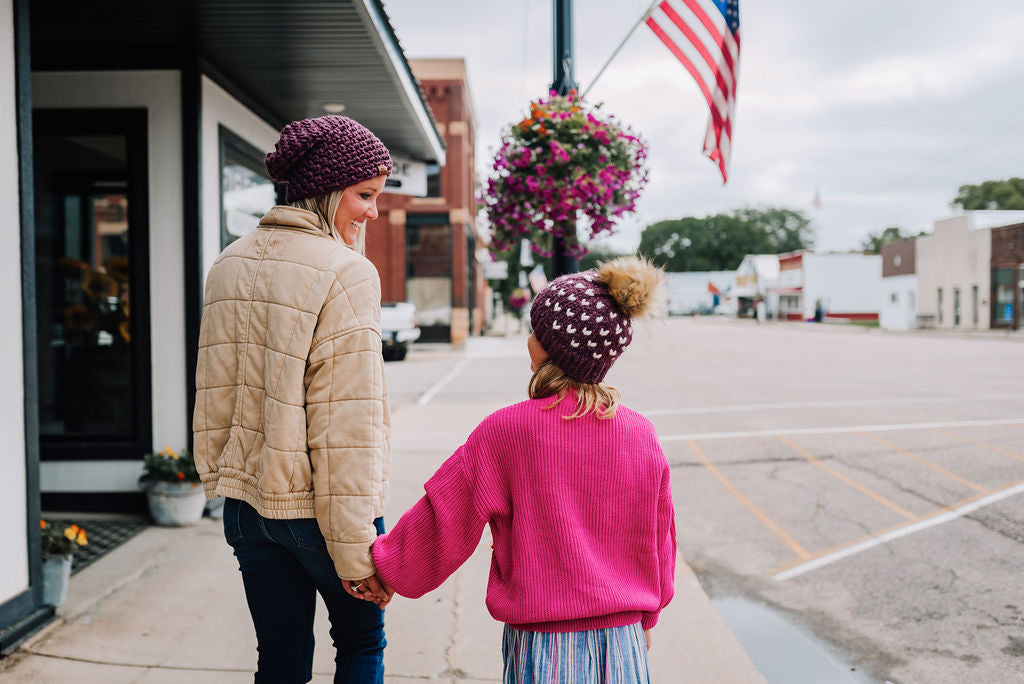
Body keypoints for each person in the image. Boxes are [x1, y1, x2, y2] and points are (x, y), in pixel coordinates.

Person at [365, 256, 677, 683]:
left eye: (535, 331)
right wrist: (649, 616)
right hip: (623, 639)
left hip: (544, 647)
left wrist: (387, 570)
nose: (528, 338)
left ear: (552, 348)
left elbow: (446, 514)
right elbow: (659, 539)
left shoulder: (508, 430)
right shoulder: (641, 434)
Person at [193, 115, 394, 683]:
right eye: (365, 195)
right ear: (327, 188)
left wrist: (222, 478)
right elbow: (345, 425)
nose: (373, 212)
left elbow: (213, 393)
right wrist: (357, 549)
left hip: (247, 506)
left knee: (279, 662)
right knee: (360, 645)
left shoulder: (228, 262)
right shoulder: (347, 272)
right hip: (322, 510)